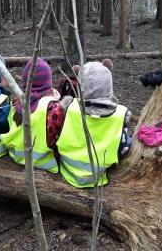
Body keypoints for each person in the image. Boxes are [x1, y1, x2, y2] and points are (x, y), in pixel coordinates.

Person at [56, 59, 132, 188]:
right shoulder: (121, 114)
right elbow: (123, 149)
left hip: (67, 169)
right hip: (99, 174)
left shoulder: (69, 106)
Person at [1, 57, 64, 173]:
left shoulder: (14, 102)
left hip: (16, 158)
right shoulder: (52, 108)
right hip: (43, 165)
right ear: (47, 82)